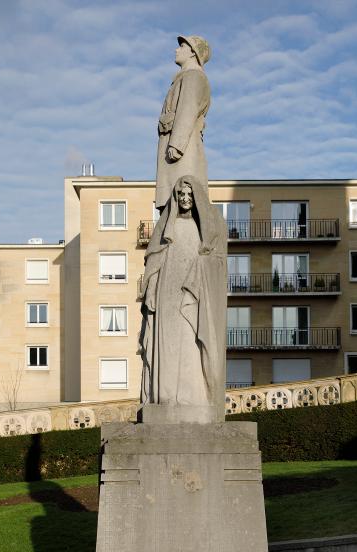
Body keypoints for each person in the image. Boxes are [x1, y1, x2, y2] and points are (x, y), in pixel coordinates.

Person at [139, 176, 227, 409]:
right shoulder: (168, 228)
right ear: (176, 198)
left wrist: (205, 266)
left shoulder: (203, 230)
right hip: (167, 294)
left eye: (190, 195)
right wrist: (150, 291)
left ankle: (193, 397)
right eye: (181, 195)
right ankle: (165, 395)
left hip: (194, 295)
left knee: (191, 342)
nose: (186, 199)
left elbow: (217, 264)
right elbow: (155, 262)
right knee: (167, 343)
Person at [155, 36, 211, 210]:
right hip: (177, 144)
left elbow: (187, 109)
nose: (177, 49)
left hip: (182, 149)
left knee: (182, 199)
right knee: (173, 203)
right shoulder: (185, 76)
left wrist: (177, 145)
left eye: (182, 46)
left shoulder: (193, 76)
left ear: (193, 53)